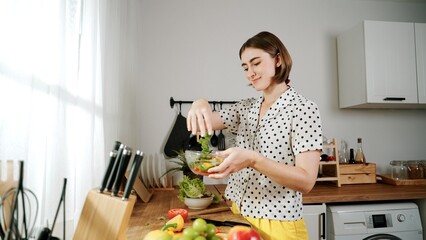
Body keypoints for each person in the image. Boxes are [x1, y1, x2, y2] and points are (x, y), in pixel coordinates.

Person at [186, 31, 322, 240]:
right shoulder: (245, 108)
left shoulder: (304, 109)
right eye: (245, 67)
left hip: (279, 226)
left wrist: (252, 159)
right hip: (238, 218)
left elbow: (306, 181)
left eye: (256, 63)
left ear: (278, 60)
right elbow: (202, 124)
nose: (250, 72)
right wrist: (200, 103)